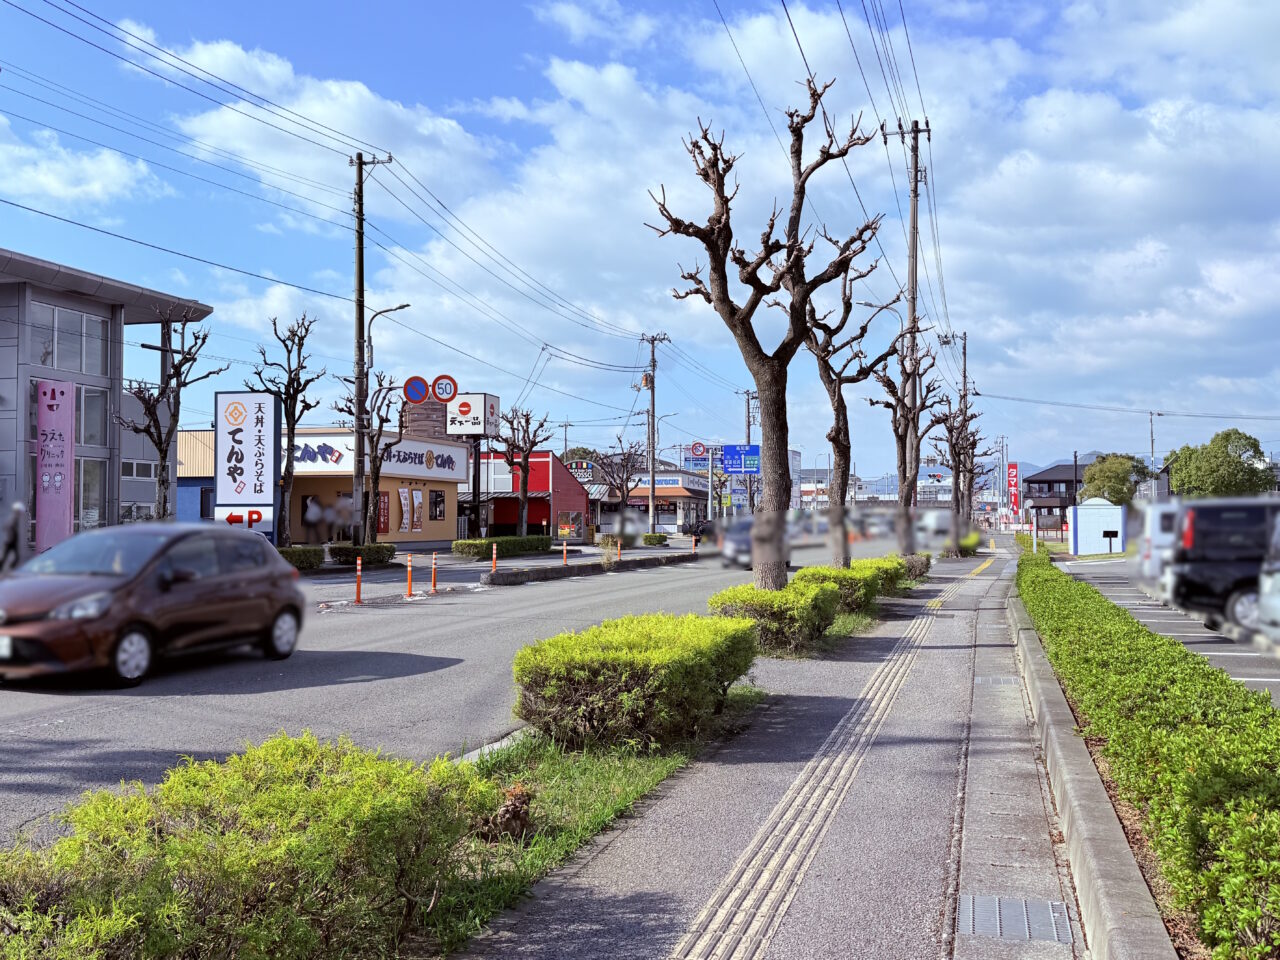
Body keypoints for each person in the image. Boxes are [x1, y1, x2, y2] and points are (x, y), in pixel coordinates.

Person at [0, 502, 27, 572]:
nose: (20, 513)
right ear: (17, 511)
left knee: (11, 556)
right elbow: (8, 526)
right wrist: (11, 536)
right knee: (11, 557)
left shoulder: (14, 517)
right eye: (20, 511)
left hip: (11, 540)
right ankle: (8, 570)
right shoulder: (14, 517)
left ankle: (8, 569)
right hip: (11, 541)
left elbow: (5, 527)